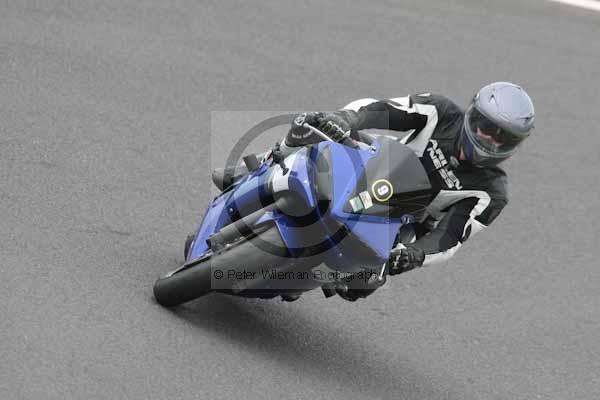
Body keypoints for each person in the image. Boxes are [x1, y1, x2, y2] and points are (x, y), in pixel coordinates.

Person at [213, 82, 535, 301]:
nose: (488, 139)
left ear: (513, 146)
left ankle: (302, 278)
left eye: (501, 138)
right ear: (472, 115)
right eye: (485, 127)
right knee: (311, 126)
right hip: (376, 166)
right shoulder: (440, 112)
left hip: (405, 221)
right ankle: (260, 166)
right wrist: (347, 118)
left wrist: (415, 255)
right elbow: (382, 109)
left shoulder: (491, 192)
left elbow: (450, 237)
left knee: (361, 285)